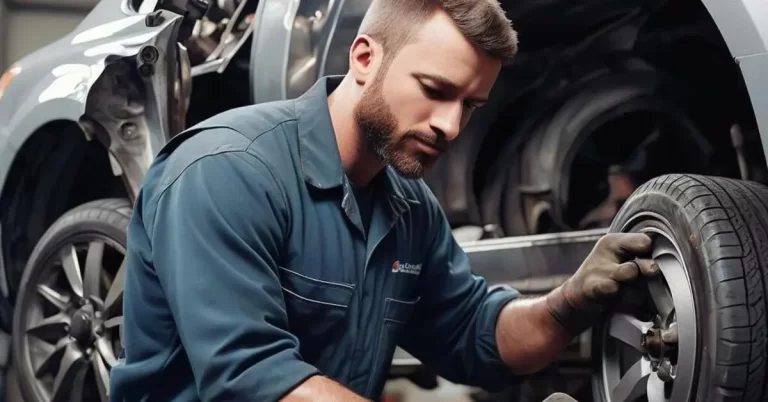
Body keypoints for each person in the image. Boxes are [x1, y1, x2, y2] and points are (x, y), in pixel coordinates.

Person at [110, 0, 659, 400]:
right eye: (435, 90)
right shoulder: (226, 171)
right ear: (365, 58)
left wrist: (567, 304)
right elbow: (252, 380)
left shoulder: (409, 209)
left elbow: (473, 332)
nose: (450, 126)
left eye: (470, 106)